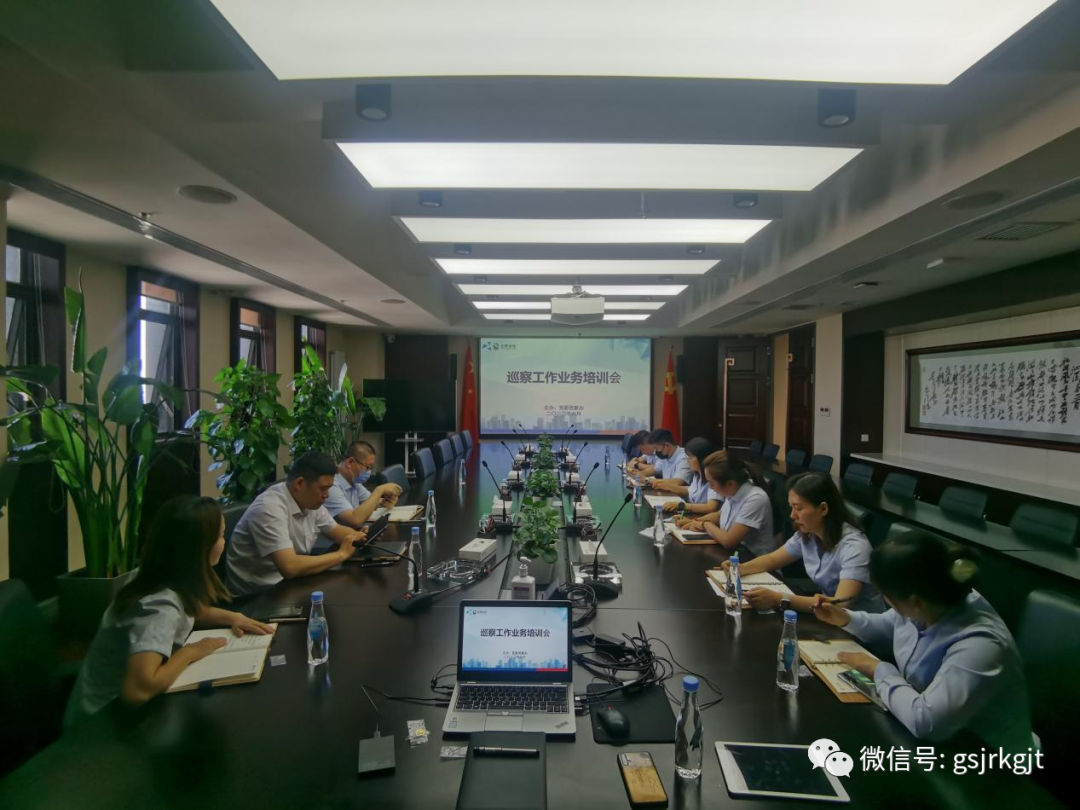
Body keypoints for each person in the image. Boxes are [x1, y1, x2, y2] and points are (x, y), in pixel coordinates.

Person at [813, 531, 1035, 752]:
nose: (888, 602)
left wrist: (880, 670)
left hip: (989, 758)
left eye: (887, 597)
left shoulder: (981, 644)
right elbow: (888, 625)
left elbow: (926, 722)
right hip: (942, 742)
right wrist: (845, 618)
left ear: (915, 603)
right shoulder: (928, 594)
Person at [64, 496, 274, 727]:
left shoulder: (157, 574)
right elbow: (137, 690)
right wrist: (191, 652)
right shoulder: (159, 606)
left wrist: (234, 617)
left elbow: (189, 610)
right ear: (200, 547)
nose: (224, 542)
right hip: (102, 724)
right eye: (221, 536)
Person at [717, 472, 883, 612]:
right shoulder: (808, 533)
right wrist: (741, 568)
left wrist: (779, 599)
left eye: (798, 508)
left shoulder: (854, 547)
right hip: (826, 617)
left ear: (823, 509)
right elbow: (773, 559)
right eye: (791, 507)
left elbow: (839, 604)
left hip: (858, 628)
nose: (792, 515)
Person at [226, 451, 368, 596]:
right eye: (323, 488)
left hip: (288, 584)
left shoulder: (308, 500)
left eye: (329, 488)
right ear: (299, 483)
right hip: (257, 596)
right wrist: (341, 554)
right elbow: (290, 567)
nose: (327, 495)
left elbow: (337, 531)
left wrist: (359, 536)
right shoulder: (269, 507)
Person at [674, 450, 776, 557]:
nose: (710, 487)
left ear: (730, 483)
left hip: (754, 559)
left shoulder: (755, 499)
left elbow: (728, 541)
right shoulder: (733, 490)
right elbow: (719, 515)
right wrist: (693, 521)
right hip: (734, 554)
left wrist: (705, 524)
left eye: (712, 483)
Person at [323, 440, 403, 531]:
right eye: (367, 467)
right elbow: (354, 520)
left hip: (351, 534)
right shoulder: (330, 486)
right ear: (350, 462)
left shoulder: (354, 482)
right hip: (332, 539)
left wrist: (384, 502)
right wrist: (379, 490)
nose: (369, 472)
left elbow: (370, 502)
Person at [656, 436, 721, 516]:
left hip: (703, 517)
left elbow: (711, 507)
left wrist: (682, 506)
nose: (687, 461)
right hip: (694, 515)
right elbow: (690, 491)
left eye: (691, 458)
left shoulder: (713, 477)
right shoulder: (698, 475)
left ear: (701, 458)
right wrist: (668, 486)